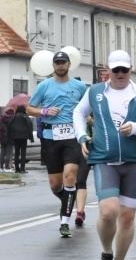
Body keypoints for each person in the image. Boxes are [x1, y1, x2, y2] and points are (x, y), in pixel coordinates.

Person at [73, 50, 136, 260]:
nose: (120, 74)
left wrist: (135, 127)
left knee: (126, 218)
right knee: (108, 211)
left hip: (133, 162)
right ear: (108, 70)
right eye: (116, 70)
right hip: (105, 160)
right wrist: (82, 136)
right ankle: (106, 252)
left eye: (125, 70)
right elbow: (78, 113)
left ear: (131, 69)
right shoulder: (95, 92)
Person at [27, 50, 88, 237]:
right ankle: (68, 202)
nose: (61, 65)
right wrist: (44, 112)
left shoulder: (79, 86)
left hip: (72, 135)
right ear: (53, 66)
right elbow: (30, 108)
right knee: (55, 184)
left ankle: (64, 222)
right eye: (57, 63)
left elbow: (89, 106)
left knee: (70, 175)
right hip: (50, 136)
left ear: (69, 65)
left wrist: (90, 120)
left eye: (63, 62)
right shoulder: (44, 86)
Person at [74, 115, 93, 227]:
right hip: (68, 146)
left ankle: (79, 213)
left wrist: (91, 122)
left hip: (86, 146)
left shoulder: (91, 105)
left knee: (81, 180)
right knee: (69, 182)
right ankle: (69, 203)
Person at [8, 105, 34, 173]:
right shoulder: (25, 116)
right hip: (24, 137)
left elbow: (10, 126)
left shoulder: (14, 116)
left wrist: (10, 136)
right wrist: (31, 137)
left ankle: (17, 168)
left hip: (15, 137)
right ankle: (22, 169)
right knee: (23, 153)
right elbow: (30, 126)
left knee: (16, 153)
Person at [0, 107, 12, 172]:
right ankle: (7, 167)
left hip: (2, 137)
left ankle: (1, 166)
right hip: (10, 137)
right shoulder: (13, 119)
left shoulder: (2, 118)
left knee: (2, 152)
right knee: (8, 153)